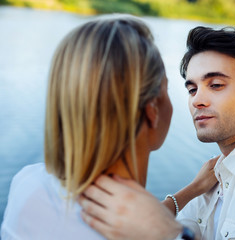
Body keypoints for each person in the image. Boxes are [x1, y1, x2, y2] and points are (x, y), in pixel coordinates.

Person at [79, 26, 235, 240]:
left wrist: (161, 229)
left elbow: (159, 231)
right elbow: (150, 228)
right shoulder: (217, 175)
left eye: (215, 85)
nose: (197, 100)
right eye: (192, 89)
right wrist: (188, 192)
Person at [1, 15, 216, 240]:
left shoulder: (28, 183)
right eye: (166, 88)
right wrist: (171, 233)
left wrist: (191, 191)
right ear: (152, 109)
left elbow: (136, 217)